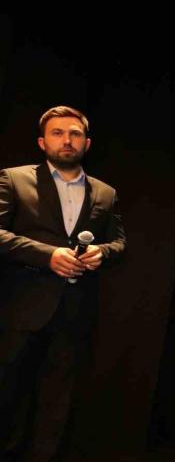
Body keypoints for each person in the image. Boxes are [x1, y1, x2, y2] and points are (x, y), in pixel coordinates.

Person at [0, 105, 126, 461]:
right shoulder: (14, 179)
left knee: (57, 405)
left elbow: (120, 243)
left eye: (74, 134)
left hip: (74, 313)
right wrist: (48, 255)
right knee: (7, 397)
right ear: (42, 142)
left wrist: (102, 252)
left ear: (87, 142)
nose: (67, 140)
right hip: (20, 310)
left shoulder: (105, 193)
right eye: (57, 133)